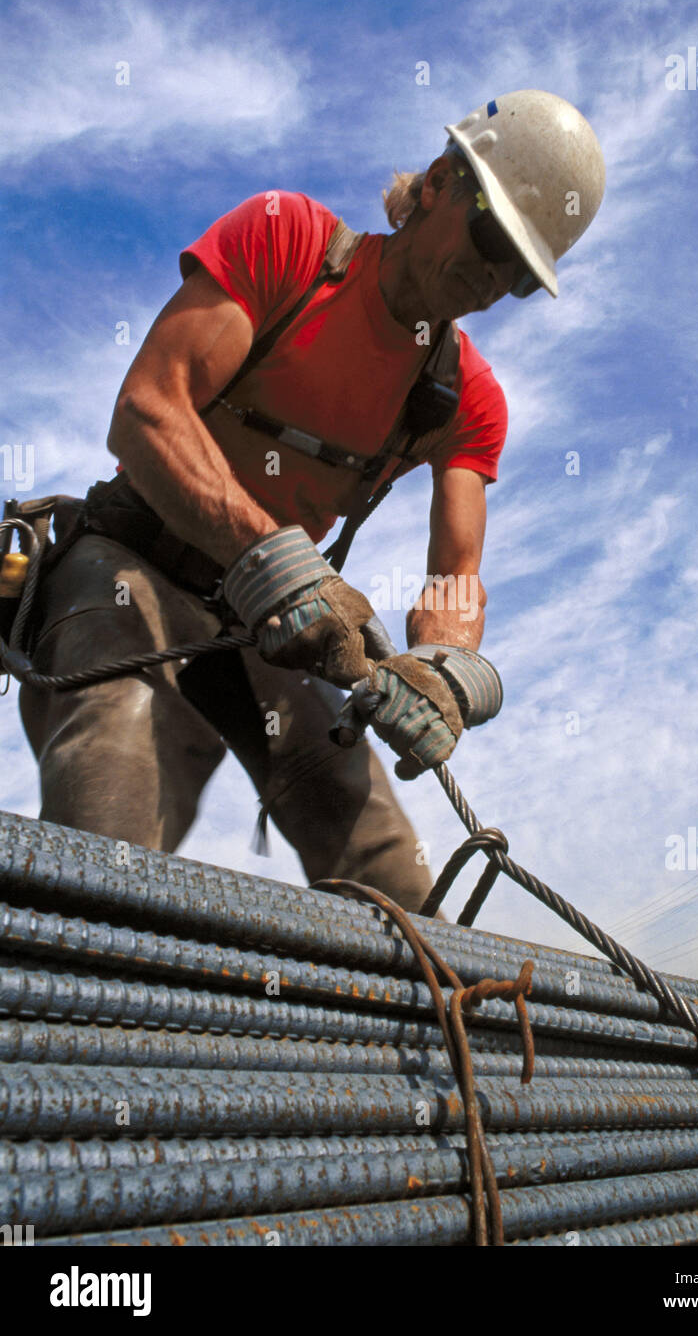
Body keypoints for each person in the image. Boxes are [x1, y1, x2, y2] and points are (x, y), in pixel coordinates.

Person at [17, 89, 605, 912]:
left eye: (520, 277)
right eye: (494, 241)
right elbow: (148, 411)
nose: (494, 278)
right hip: (132, 563)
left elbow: (457, 574)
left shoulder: (465, 398)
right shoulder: (287, 240)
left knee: (390, 875)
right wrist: (278, 561)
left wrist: (441, 668)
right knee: (112, 804)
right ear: (439, 182)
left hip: (269, 621)